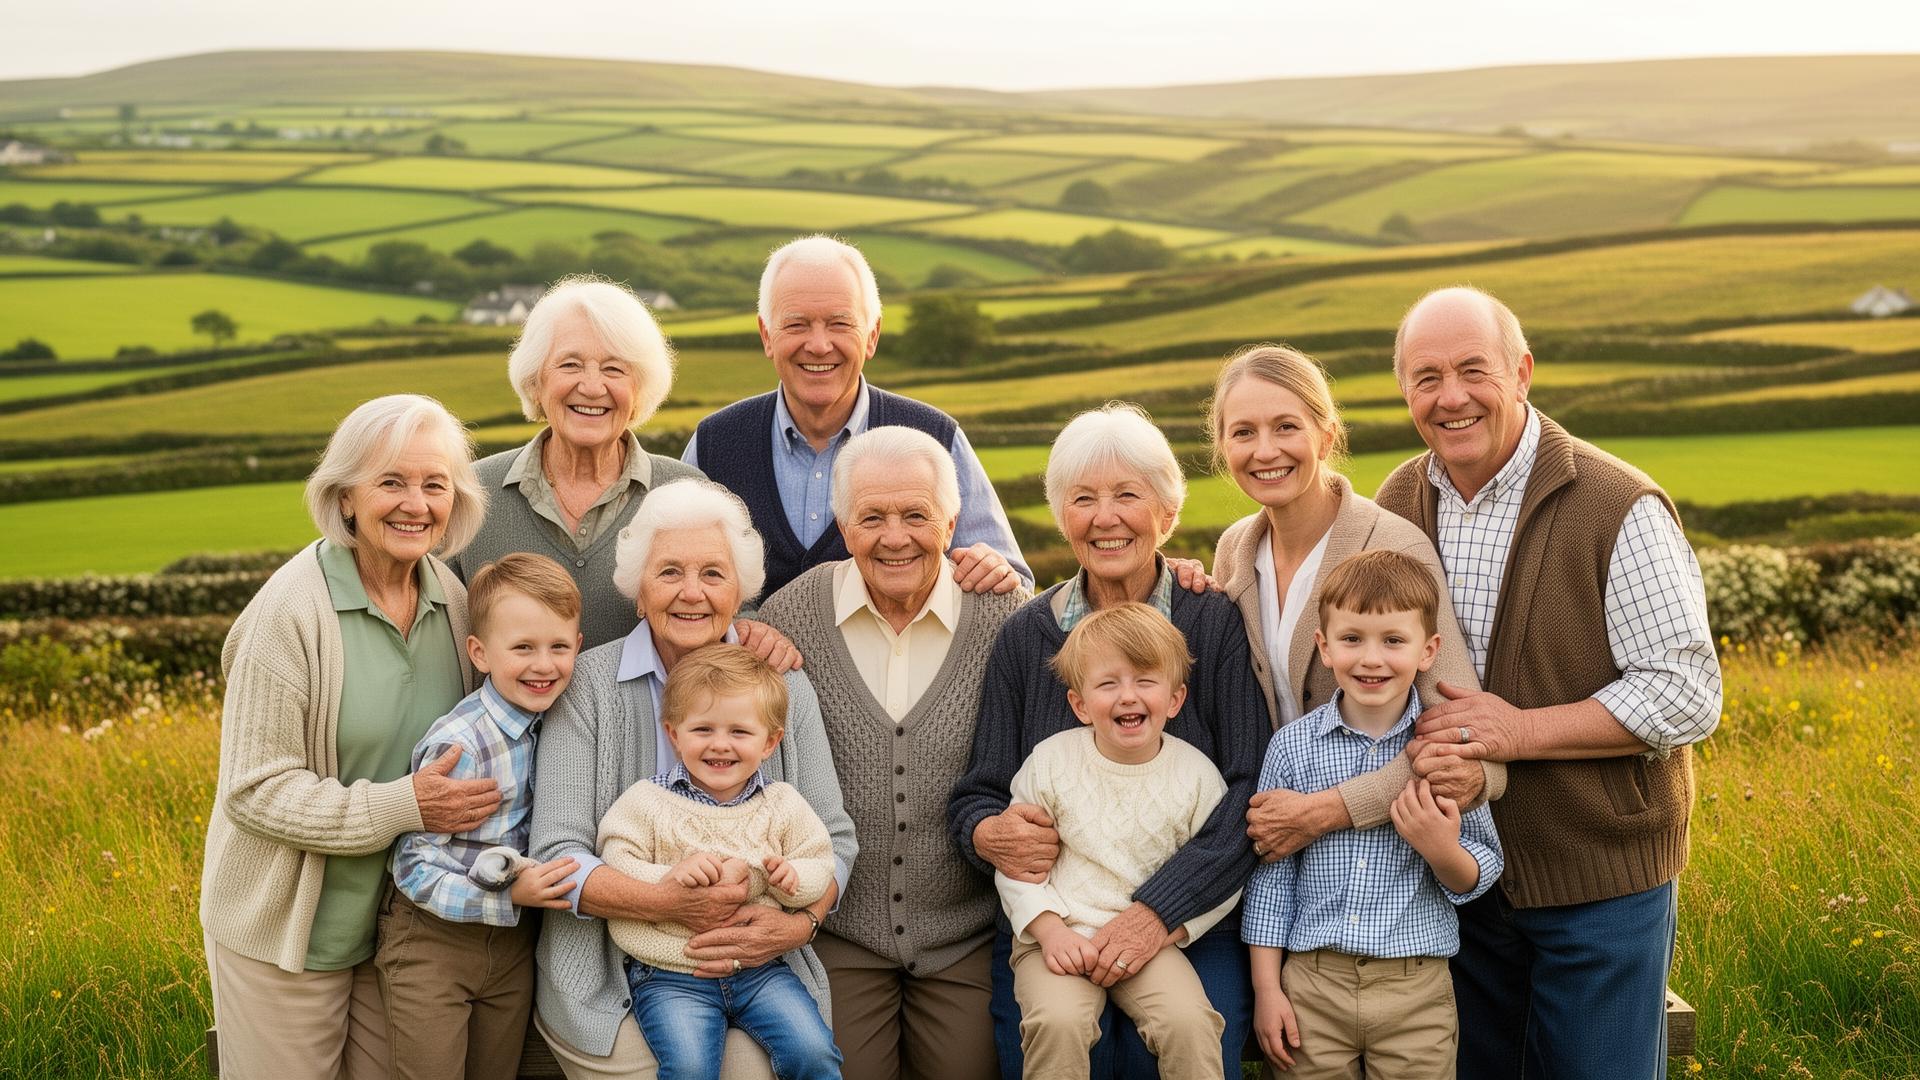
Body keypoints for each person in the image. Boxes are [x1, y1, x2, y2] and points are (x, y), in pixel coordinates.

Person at [1375, 286, 1721, 1080]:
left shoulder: (1615, 503)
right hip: (1453, 876)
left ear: (1523, 372)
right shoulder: (1396, 501)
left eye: (1473, 370)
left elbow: (1686, 691)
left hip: (1596, 876)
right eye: (1426, 377)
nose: (1450, 396)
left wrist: (1518, 732)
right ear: (1404, 391)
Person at [949, 402, 1267, 1080]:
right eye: (1083, 498)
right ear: (1063, 516)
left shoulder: (1210, 623)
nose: (1105, 517)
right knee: (1055, 1039)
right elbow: (980, 792)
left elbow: (1247, 790)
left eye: (1129, 495)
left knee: (1190, 1036)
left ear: (1167, 513)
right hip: (1055, 921)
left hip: (1190, 913)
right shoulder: (1025, 637)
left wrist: (1160, 913)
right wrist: (989, 833)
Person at [199, 393, 500, 1080]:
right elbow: (254, 790)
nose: (415, 503)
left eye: (434, 484)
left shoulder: (451, 603)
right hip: (288, 934)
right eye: (391, 482)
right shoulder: (290, 611)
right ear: (345, 497)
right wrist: (404, 806)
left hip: (399, 933)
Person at [528, 477, 858, 1080]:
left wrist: (798, 924)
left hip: (760, 966)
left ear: (741, 592)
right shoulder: (588, 689)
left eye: (713, 574)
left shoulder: (785, 684)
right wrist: (666, 901)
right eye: (669, 572)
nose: (691, 593)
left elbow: (834, 841)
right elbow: (557, 854)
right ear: (637, 592)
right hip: (610, 969)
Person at [756, 425, 1027, 1080]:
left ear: (953, 522)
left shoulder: (1005, 615)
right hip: (836, 935)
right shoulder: (788, 616)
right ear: (843, 525)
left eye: (916, 515)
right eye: (871, 517)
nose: (895, 536)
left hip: (964, 936)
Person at [1205, 343, 1504, 860]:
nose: (1265, 451)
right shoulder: (1234, 550)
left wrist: (1324, 812)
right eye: (1243, 433)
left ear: (1325, 435)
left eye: (1286, 426)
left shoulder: (1392, 546)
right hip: (1273, 847)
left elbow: (1457, 732)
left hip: (1384, 855)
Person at [1242, 550, 1502, 1080]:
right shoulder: (1293, 748)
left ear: (1428, 651)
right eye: (1352, 638)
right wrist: (1268, 991)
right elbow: (1272, 879)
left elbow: (1481, 869)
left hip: (1416, 990)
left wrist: (1440, 848)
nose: (1371, 659)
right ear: (1325, 646)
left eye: (1393, 641)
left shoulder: (1443, 749)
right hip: (1313, 983)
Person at [453, 275, 793, 670]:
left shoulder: (686, 492)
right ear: (535, 380)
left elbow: (731, 611)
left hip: (644, 727)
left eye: (614, 369)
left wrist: (756, 630)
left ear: (640, 388)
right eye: (570, 364)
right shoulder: (474, 492)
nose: (593, 386)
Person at [681, 234, 1030, 599]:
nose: (818, 345)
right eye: (797, 324)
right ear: (767, 336)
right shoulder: (714, 444)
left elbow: (1015, 586)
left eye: (840, 324)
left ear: (872, 335)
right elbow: (671, 580)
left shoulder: (936, 437)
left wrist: (992, 571)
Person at [1002, 602, 1238, 1080]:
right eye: (1108, 684)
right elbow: (1014, 865)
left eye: (1145, 681)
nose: (1127, 697)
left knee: (1191, 1023)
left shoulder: (1196, 775)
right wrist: (1048, 930)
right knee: (1057, 1021)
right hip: (1057, 936)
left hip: (1151, 945)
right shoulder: (1050, 762)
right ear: (1080, 704)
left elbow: (1220, 875)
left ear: (1174, 700)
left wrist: (1168, 931)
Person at [379, 553, 588, 1080]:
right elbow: (412, 865)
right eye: (523, 648)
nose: (544, 665)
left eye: (558, 647)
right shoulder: (461, 745)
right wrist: (504, 895)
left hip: (513, 947)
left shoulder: (561, 724)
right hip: (434, 942)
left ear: (578, 647)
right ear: (480, 653)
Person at [598, 644, 842, 1080]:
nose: (720, 745)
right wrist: (667, 876)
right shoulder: (647, 802)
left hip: (762, 971)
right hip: (672, 974)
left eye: (739, 733)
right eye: (703, 729)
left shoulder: (782, 804)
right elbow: (616, 859)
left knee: (814, 1050)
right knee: (689, 1066)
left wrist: (793, 878)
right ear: (674, 734)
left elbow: (819, 862)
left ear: (770, 742)